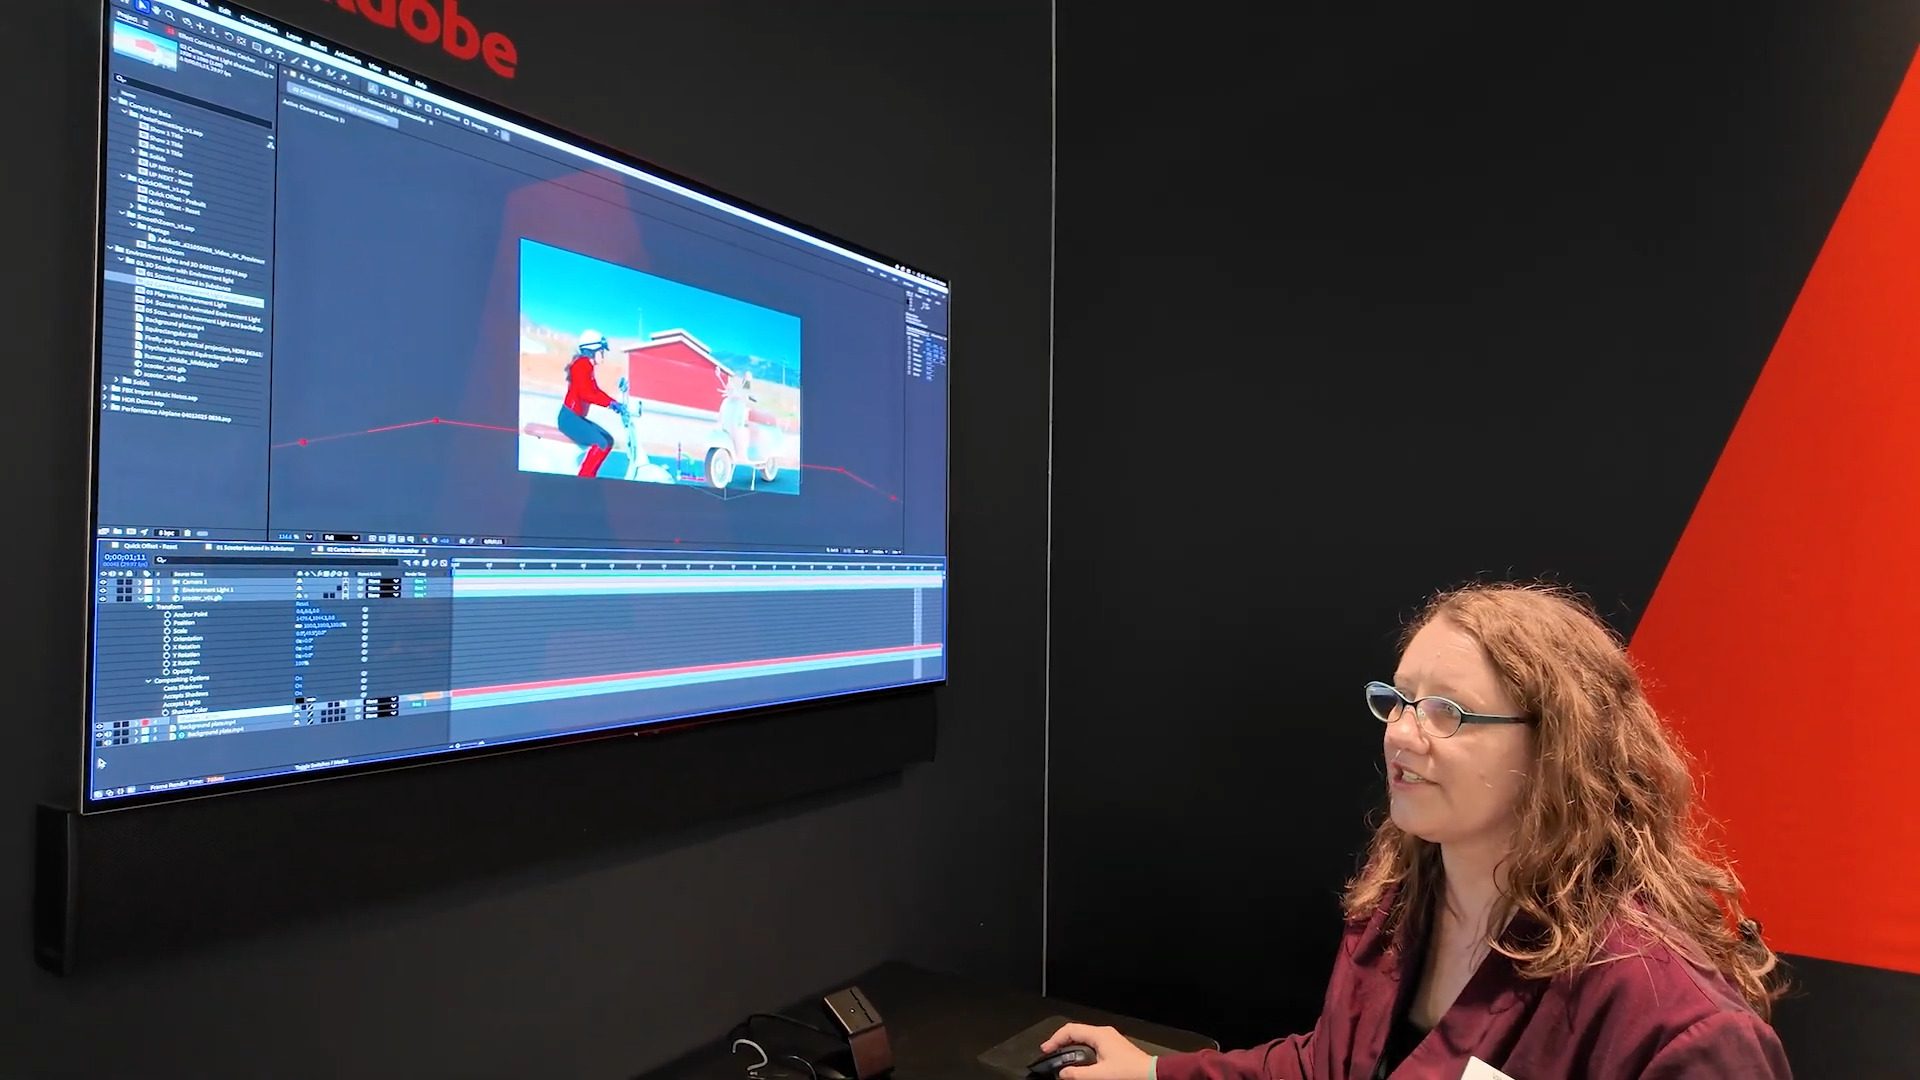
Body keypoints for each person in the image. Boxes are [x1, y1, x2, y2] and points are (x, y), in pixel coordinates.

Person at [1042, 583, 1792, 1080]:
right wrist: (1151, 1073)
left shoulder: (1671, 1025)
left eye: (1447, 713)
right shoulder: (1399, 902)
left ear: (1558, 749)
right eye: (1398, 700)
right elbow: (1334, 1064)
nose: (1400, 735)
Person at [557, 329, 629, 478]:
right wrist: (610, 404)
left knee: (608, 440)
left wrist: (614, 403)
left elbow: (595, 391)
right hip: (570, 419)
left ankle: (590, 474)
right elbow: (587, 394)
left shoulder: (587, 366)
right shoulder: (581, 365)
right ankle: (585, 477)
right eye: (601, 351)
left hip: (575, 418)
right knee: (601, 443)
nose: (603, 355)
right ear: (592, 350)